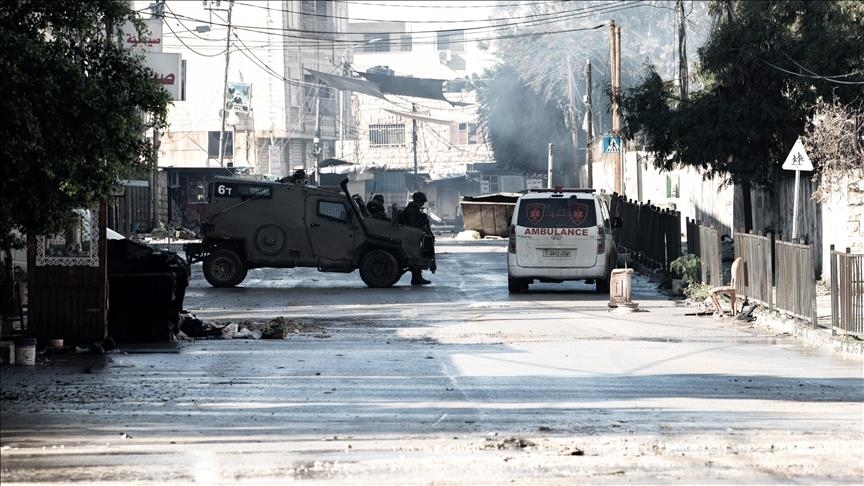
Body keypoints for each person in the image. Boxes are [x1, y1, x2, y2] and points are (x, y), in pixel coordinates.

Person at [399, 191, 432, 285]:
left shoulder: (413, 209)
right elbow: (412, 226)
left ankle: (417, 277)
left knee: (416, 256)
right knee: (415, 257)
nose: (422, 204)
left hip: (410, 236)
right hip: (409, 237)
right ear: (417, 201)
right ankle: (416, 278)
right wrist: (422, 219)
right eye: (421, 202)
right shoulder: (411, 211)